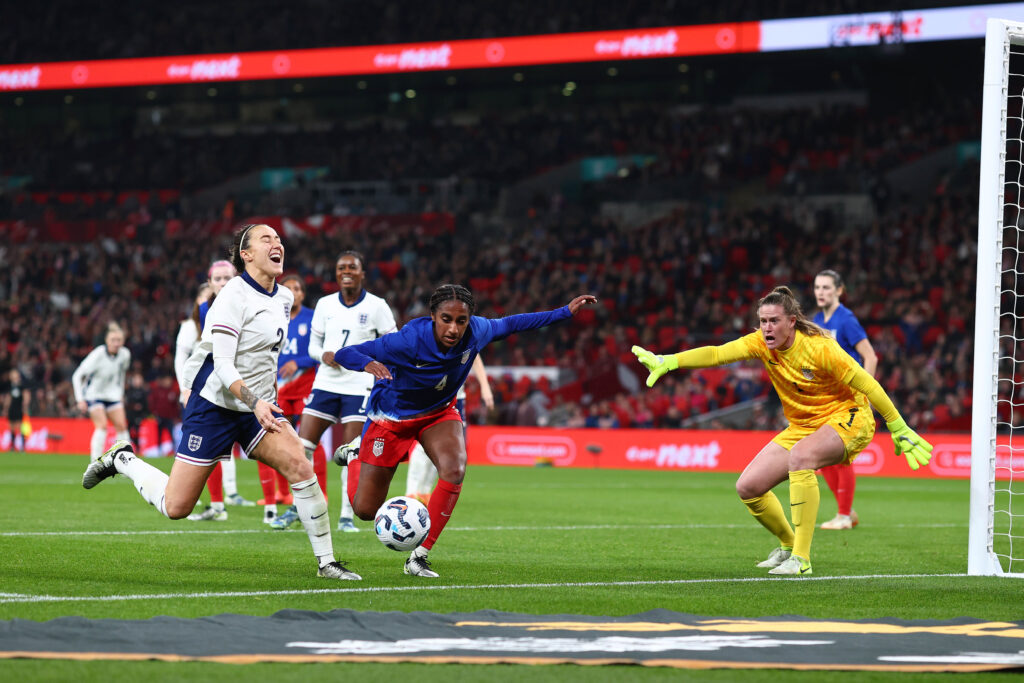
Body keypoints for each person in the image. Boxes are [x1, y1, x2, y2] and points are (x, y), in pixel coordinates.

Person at [83, 223, 360, 581]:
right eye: (266, 239)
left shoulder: (283, 298)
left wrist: (265, 400)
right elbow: (225, 363)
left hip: (256, 409)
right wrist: (256, 400)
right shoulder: (232, 296)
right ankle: (123, 459)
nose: (277, 244)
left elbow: (264, 358)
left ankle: (327, 563)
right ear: (246, 255)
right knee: (176, 506)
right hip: (214, 405)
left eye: (278, 239)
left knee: (301, 468)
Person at [632, 286, 932, 576]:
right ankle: (788, 546)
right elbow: (717, 354)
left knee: (801, 458)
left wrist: (898, 425)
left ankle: (802, 559)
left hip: (849, 417)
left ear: (791, 321)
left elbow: (867, 384)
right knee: (748, 487)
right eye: (763, 321)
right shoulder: (760, 342)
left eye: (774, 321)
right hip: (803, 425)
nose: (767, 328)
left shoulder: (820, 348)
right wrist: (668, 361)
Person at [333, 285, 596, 578]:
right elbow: (344, 353)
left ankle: (419, 557)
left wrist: (564, 312)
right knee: (366, 510)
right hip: (390, 418)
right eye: (446, 319)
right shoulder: (407, 340)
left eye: (461, 320)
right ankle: (356, 454)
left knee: (454, 469)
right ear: (433, 316)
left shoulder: (478, 331)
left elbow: (513, 323)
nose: (454, 328)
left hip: (438, 412)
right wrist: (367, 363)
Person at [272, 251, 396, 533]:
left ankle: (346, 516)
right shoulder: (325, 305)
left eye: (353, 267)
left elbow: (393, 343)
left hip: (359, 386)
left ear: (362, 273)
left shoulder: (378, 306)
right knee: (301, 448)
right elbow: (313, 347)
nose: (347, 271)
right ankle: (297, 507)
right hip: (326, 384)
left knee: (350, 452)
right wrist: (324, 355)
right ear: (336, 274)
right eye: (342, 267)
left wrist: (373, 363)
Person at [186, 262, 256, 520]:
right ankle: (218, 505)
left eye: (228, 277)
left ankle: (272, 508)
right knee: (213, 450)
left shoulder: (249, 302)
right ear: (210, 281)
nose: (223, 282)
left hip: (246, 383)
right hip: (215, 387)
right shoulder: (204, 309)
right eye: (218, 278)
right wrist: (188, 385)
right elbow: (204, 347)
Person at [812, 269, 878, 531]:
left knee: (842, 457)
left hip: (848, 398)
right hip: (826, 399)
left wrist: (867, 391)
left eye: (827, 287)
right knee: (822, 458)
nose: (821, 292)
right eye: (818, 287)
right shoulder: (817, 318)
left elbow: (870, 356)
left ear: (839, 290)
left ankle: (843, 515)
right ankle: (847, 512)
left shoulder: (847, 320)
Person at [260, 273, 317, 525]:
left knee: (308, 441)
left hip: (305, 386)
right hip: (278, 389)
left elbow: (320, 352)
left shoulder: (312, 318)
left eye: (297, 288)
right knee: (277, 440)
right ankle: (283, 494)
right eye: (288, 288)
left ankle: (319, 492)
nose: (293, 291)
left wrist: (299, 362)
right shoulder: (272, 315)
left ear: (303, 294)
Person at [405, 355, 494, 505]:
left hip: (457, 395)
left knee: (449, 447)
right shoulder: (434, 333)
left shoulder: (466, 334)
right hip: (434, 393)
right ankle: (411, 493)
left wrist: (485, 387)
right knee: (426, 442)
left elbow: (475, 355)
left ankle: (424, 493)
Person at [72, 323, 131, 461]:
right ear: (106, 340)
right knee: (102, 425)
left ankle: (126, 462)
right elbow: (77, 375)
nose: (116, 343)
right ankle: (95, 462)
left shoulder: (125, 355)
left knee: (122, 426)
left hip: (112, 395)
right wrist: (80, 398)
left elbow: (121, 375)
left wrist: (120, 393)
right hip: (94, 394)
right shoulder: (97, 354)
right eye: (113, 340)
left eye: (119, 340)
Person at [3, 369, 29, 452]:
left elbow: (26, 396)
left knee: (20, 427)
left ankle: (22, 447)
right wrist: (6, 408)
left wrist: (25, 406)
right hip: (12, 409)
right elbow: (8, 398)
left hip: (19, 408)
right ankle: (13, 446)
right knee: (12, 427)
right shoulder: (10, 386)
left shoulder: (22, 386)